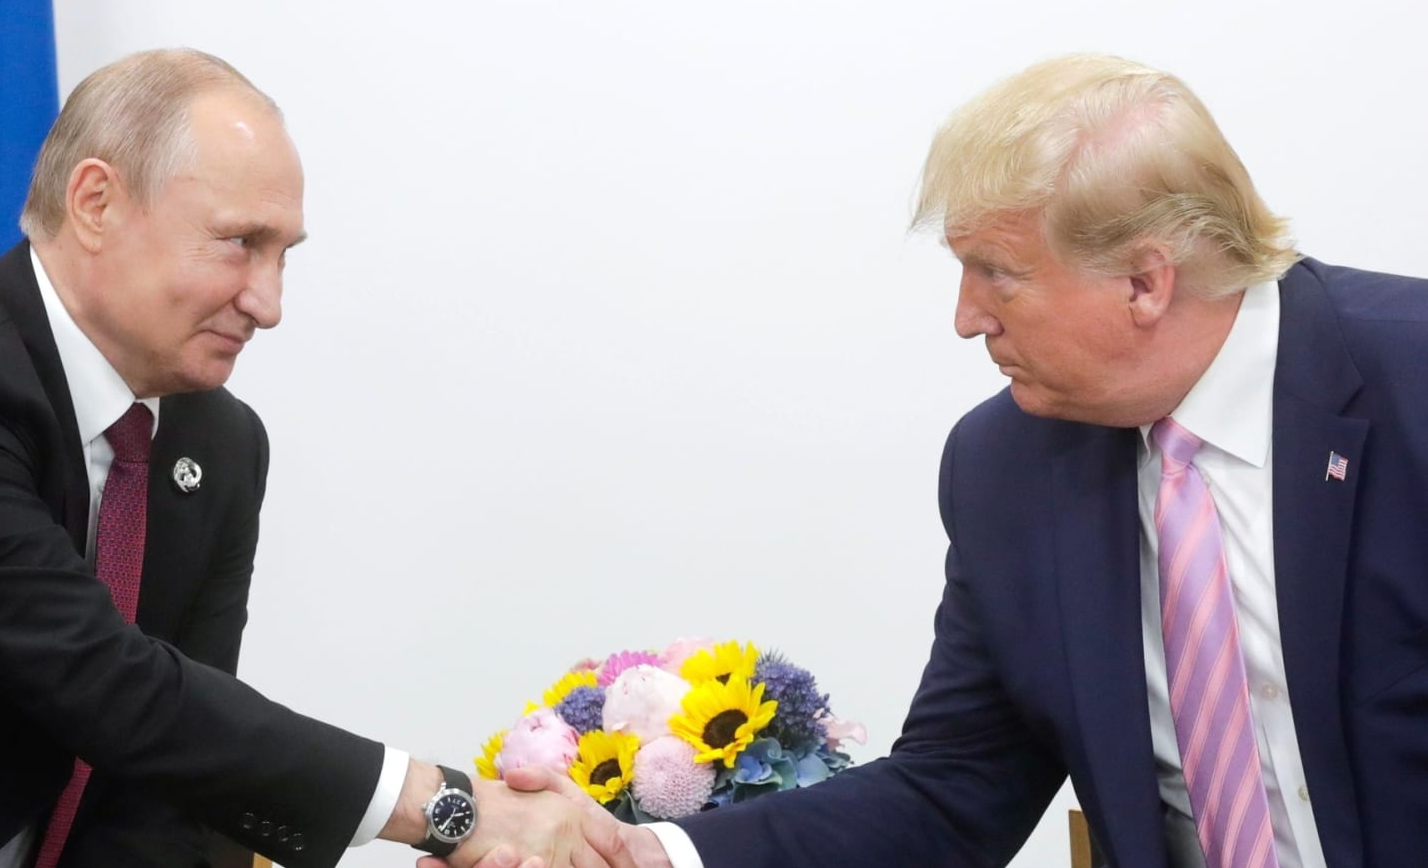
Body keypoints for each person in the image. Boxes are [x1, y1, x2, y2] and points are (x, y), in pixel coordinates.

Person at [449, 53, 1428, 868]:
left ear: (1144, 279)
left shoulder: (1408, 380)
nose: (966, 320)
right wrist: (652, 853)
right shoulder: (1009, 464)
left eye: (997, 274)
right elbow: (954, 787)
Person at [0, 49, 628, 868]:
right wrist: (447, 806)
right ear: (96, 203)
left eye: (284, 254)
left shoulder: (219, 440)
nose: (268, 303)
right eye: (239, 243)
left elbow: (171, 777)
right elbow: (107, 682)